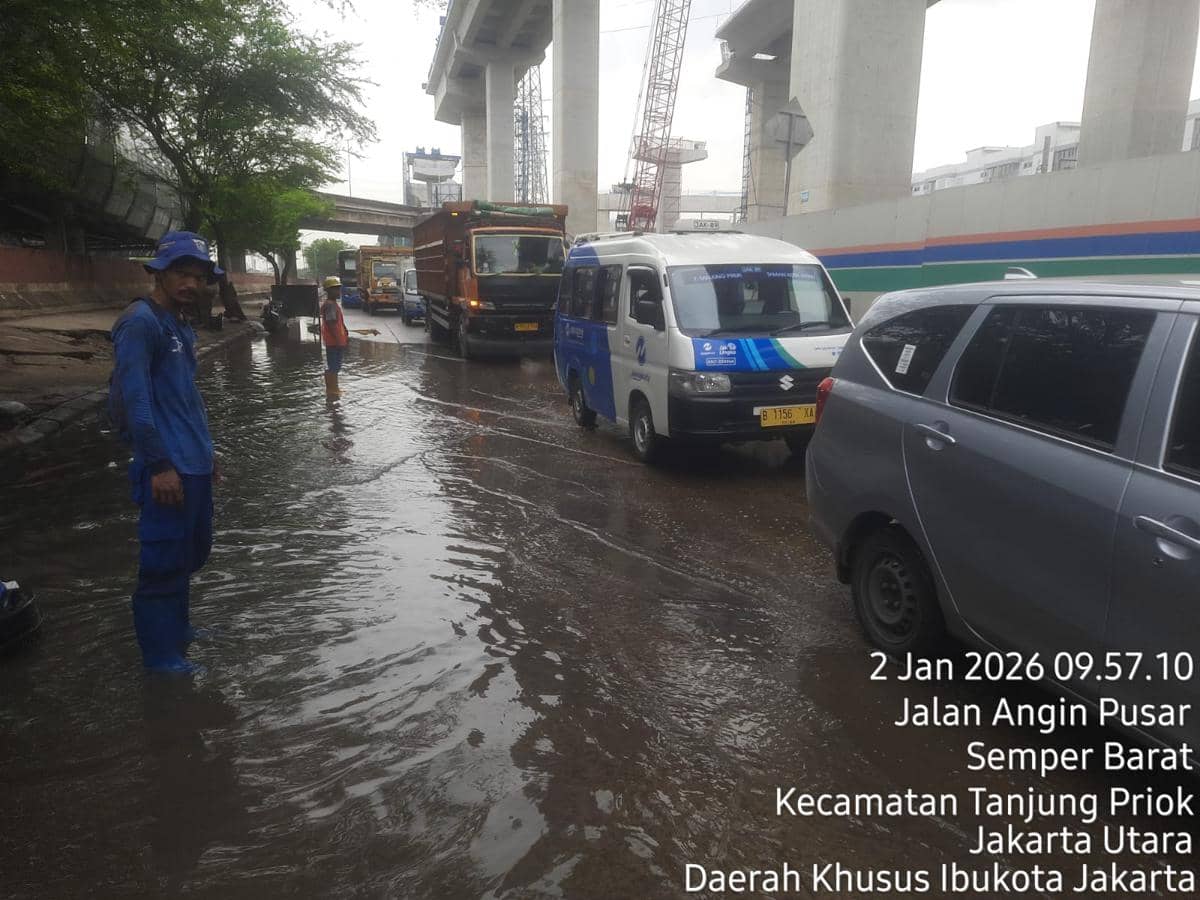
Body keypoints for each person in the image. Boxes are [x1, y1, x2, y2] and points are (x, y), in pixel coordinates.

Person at [111, 231, 221, 674]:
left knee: (191, 553)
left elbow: (185, 397)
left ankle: (178, 631)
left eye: (197, 276)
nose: (190, 283)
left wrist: (208, 451)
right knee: (161, 563)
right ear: (158, 271)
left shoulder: (179, 323)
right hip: (166, 466)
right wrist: (158, 464)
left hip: (193, 462)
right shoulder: (142, 322)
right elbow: (132, 401)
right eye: (181, 272)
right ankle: (161, 658)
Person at [320, 275, 350, 399]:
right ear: (328, 290)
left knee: (335, 366)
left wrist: (345, 330)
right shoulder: (330, 305)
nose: (338, 291)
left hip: (335, 341)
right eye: (335, 289)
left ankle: (333, 388)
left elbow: (337, 322)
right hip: (334, 342)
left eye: (338, 288)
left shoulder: (333, 304)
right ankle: (332, 390)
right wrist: (339, 341)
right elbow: (332, 324)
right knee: (334, 366)